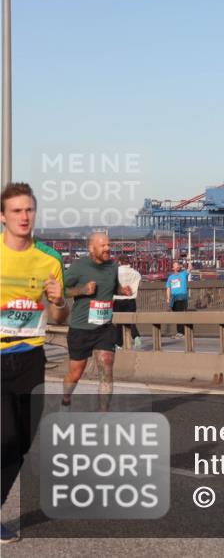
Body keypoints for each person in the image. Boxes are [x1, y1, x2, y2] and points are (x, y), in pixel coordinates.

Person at [0, 183, 67, 544]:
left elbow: (60, 313)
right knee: (5, 434)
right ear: (2, 216)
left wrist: (58, 299)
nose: (24, 217)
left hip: (31, 357)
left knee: (23, 439)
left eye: (29, 210)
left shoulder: (49, 259)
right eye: (16, 211)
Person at [62, 232, 132, 411]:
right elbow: (62, 290)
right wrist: (82, 290)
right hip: (81, 328)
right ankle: (66, 399)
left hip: (105, 327)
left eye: (109, 245)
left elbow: (111, 285)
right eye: (103, 246)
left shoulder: (112, 266)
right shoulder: (79, 266)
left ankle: (103, 415)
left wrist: (122, 290)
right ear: (92, 248)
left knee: (107, 367)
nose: (108, 248)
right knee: (76, 373)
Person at [113, 255, 142, 350]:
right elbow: (137, 286)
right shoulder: (136, 273)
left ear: (119, 262)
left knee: (119, 324)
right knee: (131, 320)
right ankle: (136, 336)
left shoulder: (115, 272)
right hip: (131, 300)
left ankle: (118, 344)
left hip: (118, 300)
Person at [165, 259, 192, 339]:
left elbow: (190, 268)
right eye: (175, 265)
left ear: (179, 267)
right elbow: (168, 288)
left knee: (180, 314)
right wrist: (168, 298)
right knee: (177, 315)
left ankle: (181, 333)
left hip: (182, 297)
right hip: (174, 298)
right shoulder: (171, 277)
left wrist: (189, 260)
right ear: (173, 268)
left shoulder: (183, 274)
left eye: (177, 265)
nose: (176, 267)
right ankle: (180, 332)